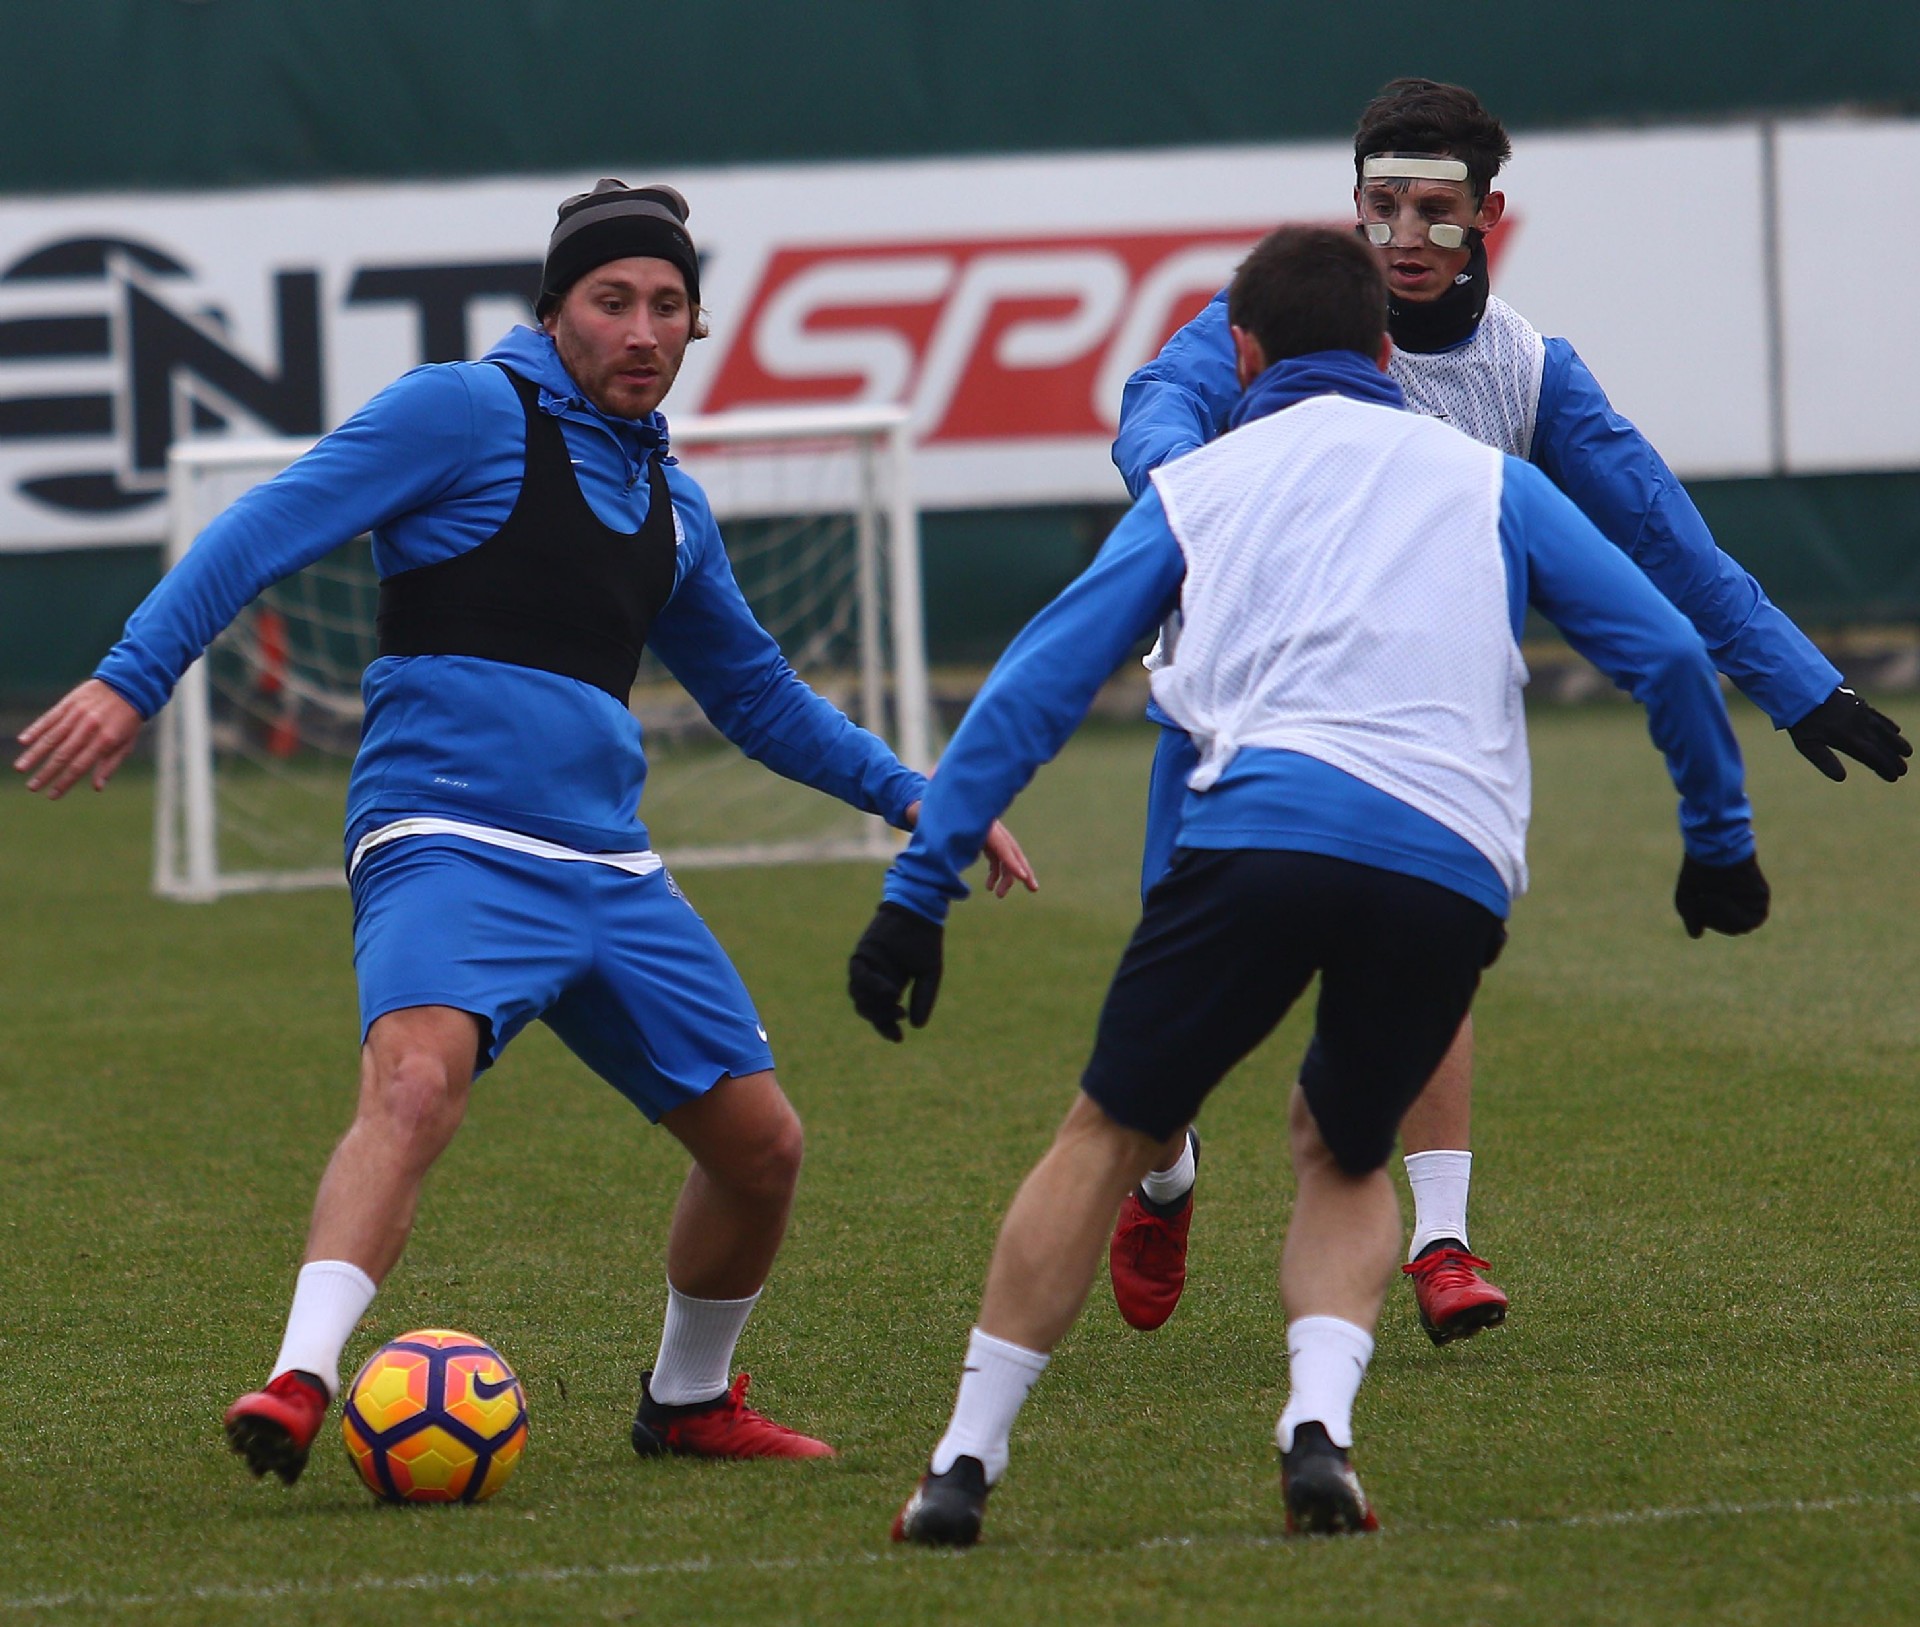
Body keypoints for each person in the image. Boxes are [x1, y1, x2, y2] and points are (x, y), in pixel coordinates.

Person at [14, 178, 1032, 1486]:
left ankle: (688, 1400)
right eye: (612, 300)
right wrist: (129, 677)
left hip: (609, 867)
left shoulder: (674, 505)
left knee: (762, 1149)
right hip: (443, 832)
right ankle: (301, 1376)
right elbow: (259, 531)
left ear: (696, 325)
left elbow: (759, 698)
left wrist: (919, 795)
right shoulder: (460, 410)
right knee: (415, 1084)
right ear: (555, 310)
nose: (642, 330)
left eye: (668, 305)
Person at [848, 224, 1768, 1544]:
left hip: (1258, 836)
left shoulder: (1199, 485)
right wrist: (1719, 838)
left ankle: (961, 1464)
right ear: (1387, 354)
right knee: (1344, 1147)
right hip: (1447, 863)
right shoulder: (1486, 479)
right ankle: (1318, 1430)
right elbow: (1670, 654)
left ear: (1241, 354)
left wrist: (916, 889)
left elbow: (1033, 689)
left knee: (1104, 1135)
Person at [1104, 78, 1907, 1346]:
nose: (1405, 237)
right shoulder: (1279, 325)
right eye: (1381, 207)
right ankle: (1166, 1176)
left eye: (1436, 209)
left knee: (1421, 954)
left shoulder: (1528, 371)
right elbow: (1155, 407)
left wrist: (1799, 683)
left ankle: (1442, 1241)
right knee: (1163, 1048)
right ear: (1351, 206)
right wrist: (1198, 482)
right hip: (1231, 720)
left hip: (1419, 724)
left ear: (1488, 214)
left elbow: (1665, 540)